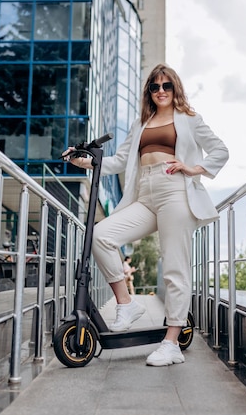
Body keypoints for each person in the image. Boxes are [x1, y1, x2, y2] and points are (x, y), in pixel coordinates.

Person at [62, 63, 229, 366]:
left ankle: (171, 342)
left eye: (167, 86)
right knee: (101, 235)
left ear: (175, 88)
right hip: (145, 193)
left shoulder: (190, 120)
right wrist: (86, 161)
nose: (161, 91)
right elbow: (119, 162)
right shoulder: (141, 123)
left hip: (174, 190)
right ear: (149, 92)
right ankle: (126, 304)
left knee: (174, 267)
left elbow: (220, 151)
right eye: (155, 87)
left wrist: (192, 168)